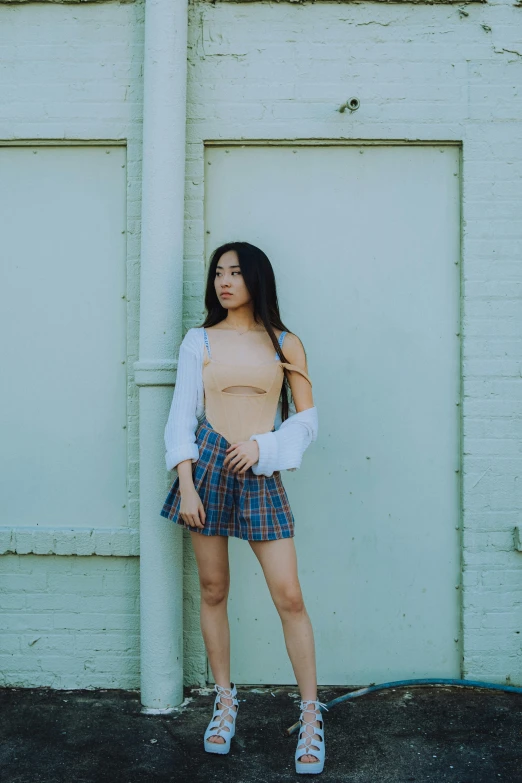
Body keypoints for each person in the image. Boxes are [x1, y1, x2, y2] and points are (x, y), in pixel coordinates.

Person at [160, 241, 327, 774]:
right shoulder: (199, 340)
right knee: (213, 589)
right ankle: (226, 700)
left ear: (257, 278)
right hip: (206, 467)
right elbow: (181, 416)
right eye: (218, 273)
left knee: (290, 596)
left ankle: (310, 715)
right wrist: (185, 482)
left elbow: (307, 421)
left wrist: (264, 447)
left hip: (257, 468)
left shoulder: (286, 341)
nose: (224, 281)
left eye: (234, 272)